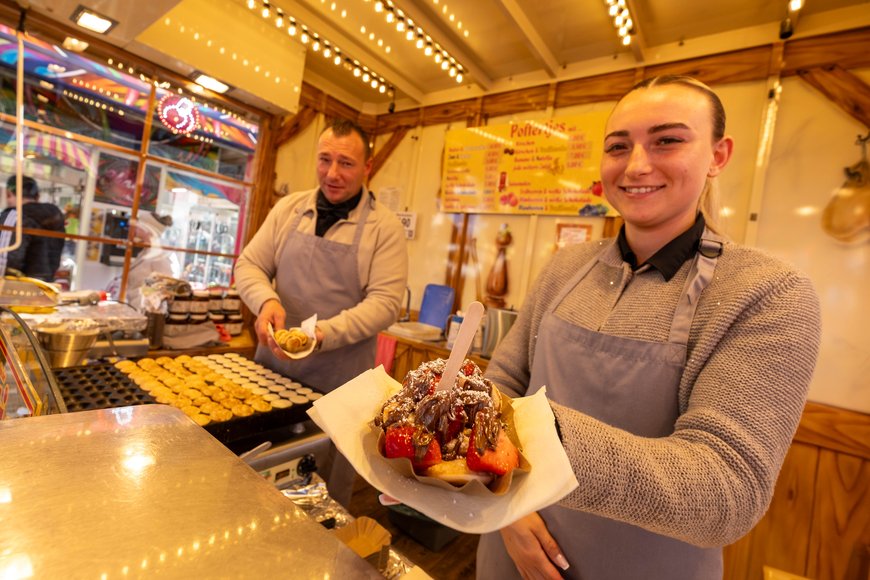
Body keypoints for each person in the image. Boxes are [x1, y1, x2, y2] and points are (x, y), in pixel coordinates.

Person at [476, 76, 822, 579]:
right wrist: (504, 502)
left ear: (718, 156)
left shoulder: (767, 292)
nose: (637, 164)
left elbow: (727, 490)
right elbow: (503, 383)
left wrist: (528, 437)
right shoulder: (565, 267)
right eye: (618, 147)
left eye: (668, 140)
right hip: (511, 551)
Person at [234, 118, 409, 504]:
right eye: (324, 159)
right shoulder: (288, 209)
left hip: (340, 386)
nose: (332, 173)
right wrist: (266, 301)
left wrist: (321, 334)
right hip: (272, 374)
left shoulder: (385, 228)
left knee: (324, 492)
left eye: (345, 163)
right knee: (257, 483)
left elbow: (384, 304)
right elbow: (249, 265)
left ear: (367, 167)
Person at [106, 211, 177, 309]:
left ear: (147, 229)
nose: (133, 226)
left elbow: (167, 288)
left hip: (143, 311)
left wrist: (148, 305)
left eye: (138, 223)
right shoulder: (145, 251)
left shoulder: (159, 256)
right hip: (132, 308)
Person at [0, 175, 65, 281]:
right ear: (37, 196)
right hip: (46, 287)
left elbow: (4, 259)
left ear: (9, 194)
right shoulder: (55, 217)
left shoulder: (16, 216)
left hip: (17, 289)